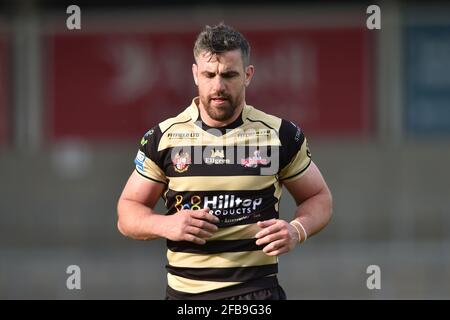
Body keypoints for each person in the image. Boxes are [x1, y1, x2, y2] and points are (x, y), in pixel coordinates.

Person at [117, 23, 333, 300]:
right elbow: (127, 213)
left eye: (229, 75)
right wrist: (165, 224)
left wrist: (297, 229)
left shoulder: (279, 135)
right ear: (195, 74)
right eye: (209, 74)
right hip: (186, 298)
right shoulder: (164, 137)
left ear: (248, 75)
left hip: (256, 294)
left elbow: (319, 197)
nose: (218, 86)